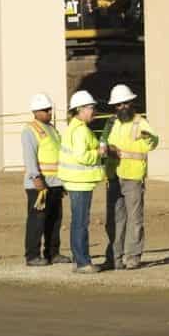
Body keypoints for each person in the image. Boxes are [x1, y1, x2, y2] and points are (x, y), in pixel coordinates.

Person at [103, 85, 158, 270]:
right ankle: (115, 257)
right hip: (114, 176)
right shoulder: (114, 124)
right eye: (119, 105)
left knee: (135, 219)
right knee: (116, 219)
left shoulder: (140, 123)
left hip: (133, 177)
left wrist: (149, 138)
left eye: (125, 103)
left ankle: (133, 256)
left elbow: (153, 141)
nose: (123, 107)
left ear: (132, 103)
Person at [56, 91, 107, 272]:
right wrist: (98, 153)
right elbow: (81, 156)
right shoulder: (80, 131)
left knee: (79, 222)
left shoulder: (75, 128)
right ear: (81, 109)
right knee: (80, 223)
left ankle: (81, 260)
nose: (94, 111)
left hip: (77, 182)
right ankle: (83, 262)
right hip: (80, 182)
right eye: (91, 107)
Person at [20, 93, 64, 266]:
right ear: (36, 111)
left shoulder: (52, 129)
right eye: (46, 110)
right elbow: (29, 156)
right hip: (39, 185)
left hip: (55, 182)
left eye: (50, 109)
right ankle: (32, 256)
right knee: (37, 220)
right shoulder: (30, 130)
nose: (49, 112)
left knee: (54, 219)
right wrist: (36, 177)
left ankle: (53, 253)